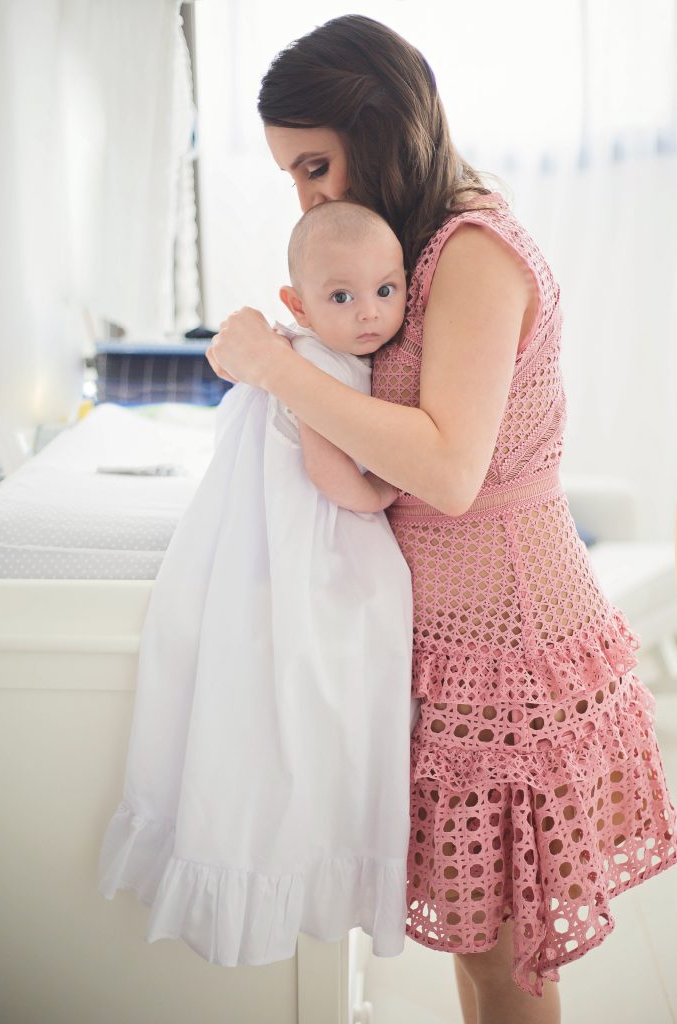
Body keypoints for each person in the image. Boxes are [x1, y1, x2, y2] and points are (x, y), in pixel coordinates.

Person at [204, 14, 677, 1024]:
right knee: (479, 958)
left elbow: (448, 469)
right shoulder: (409, 252)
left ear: (381, 126)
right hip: (443, 649)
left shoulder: (474, 251)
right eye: (292, 176)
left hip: (510, 648)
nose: (308, 195)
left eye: (316, 165)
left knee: (508, 972)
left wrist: (276, 367)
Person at [98, 199, 419, 965]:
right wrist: (386, 491)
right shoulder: (317, 369)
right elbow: (332, 477)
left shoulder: (306, 351)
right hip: (311, 538)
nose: (369, 312)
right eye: (341, 296)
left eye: (386, 290)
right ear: (297, 305)